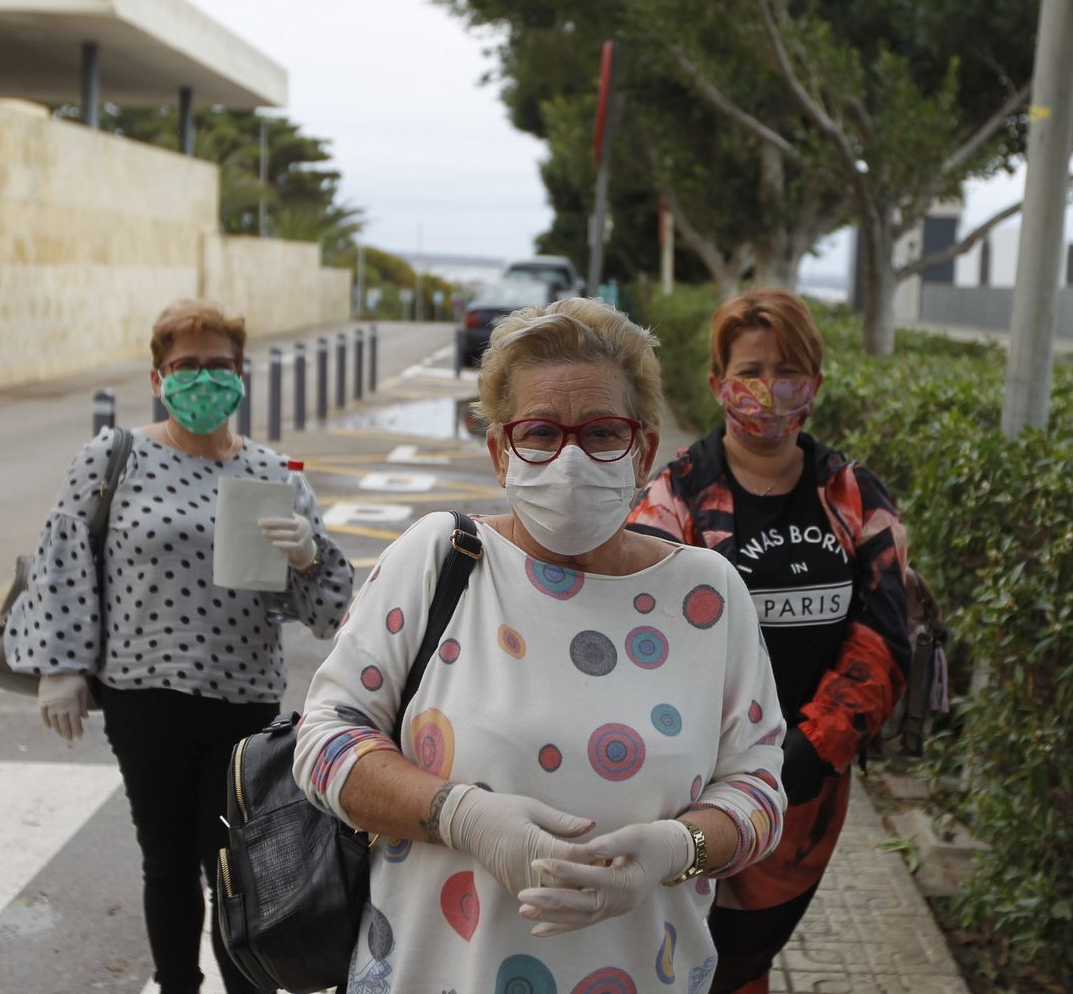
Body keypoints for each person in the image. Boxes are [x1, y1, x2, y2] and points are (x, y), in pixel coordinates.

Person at [294, 297, 787, 992]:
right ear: (500, 450)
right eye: (541, 433)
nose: (570, 458)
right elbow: (322, 743)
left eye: (602, 431)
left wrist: (679, 847)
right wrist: (460, 815)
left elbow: (761, 792)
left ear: (644, 448)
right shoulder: (438, 559)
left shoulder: (709, 597)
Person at [7, 299, 353, 994]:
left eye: (217, 365)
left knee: (234, 864)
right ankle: (175, 986)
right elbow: (65, 557)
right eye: (186, 365)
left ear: (241, 372)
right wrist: (62, 665)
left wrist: (313, 556)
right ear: (159, 374)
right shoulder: (115, 456)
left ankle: (246, 986)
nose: (202, 378)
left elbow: (330, 613)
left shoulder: (273, 474)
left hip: (243, 700)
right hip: (146, 696)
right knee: (165, 859)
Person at [627, 288, 910, 994]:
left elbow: (882, 635)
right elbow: (639, 639)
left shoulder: (852, 495)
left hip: (805, 794)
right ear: (718, 381)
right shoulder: (674, 498)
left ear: (814, 383)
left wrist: (811, 749)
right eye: (749, 369)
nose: (768, 390)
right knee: (676, 957)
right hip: (689, 786)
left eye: (789, 369)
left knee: (746, 960)